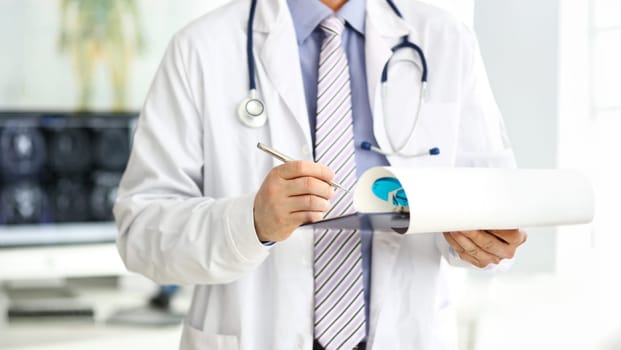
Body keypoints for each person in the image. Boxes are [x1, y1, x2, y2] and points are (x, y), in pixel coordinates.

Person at [113, 0, 527, 349]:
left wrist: (484, 241)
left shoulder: (446, 40)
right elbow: (141, 231)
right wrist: (250, 223)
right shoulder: (202, 48)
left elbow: (493, 199)